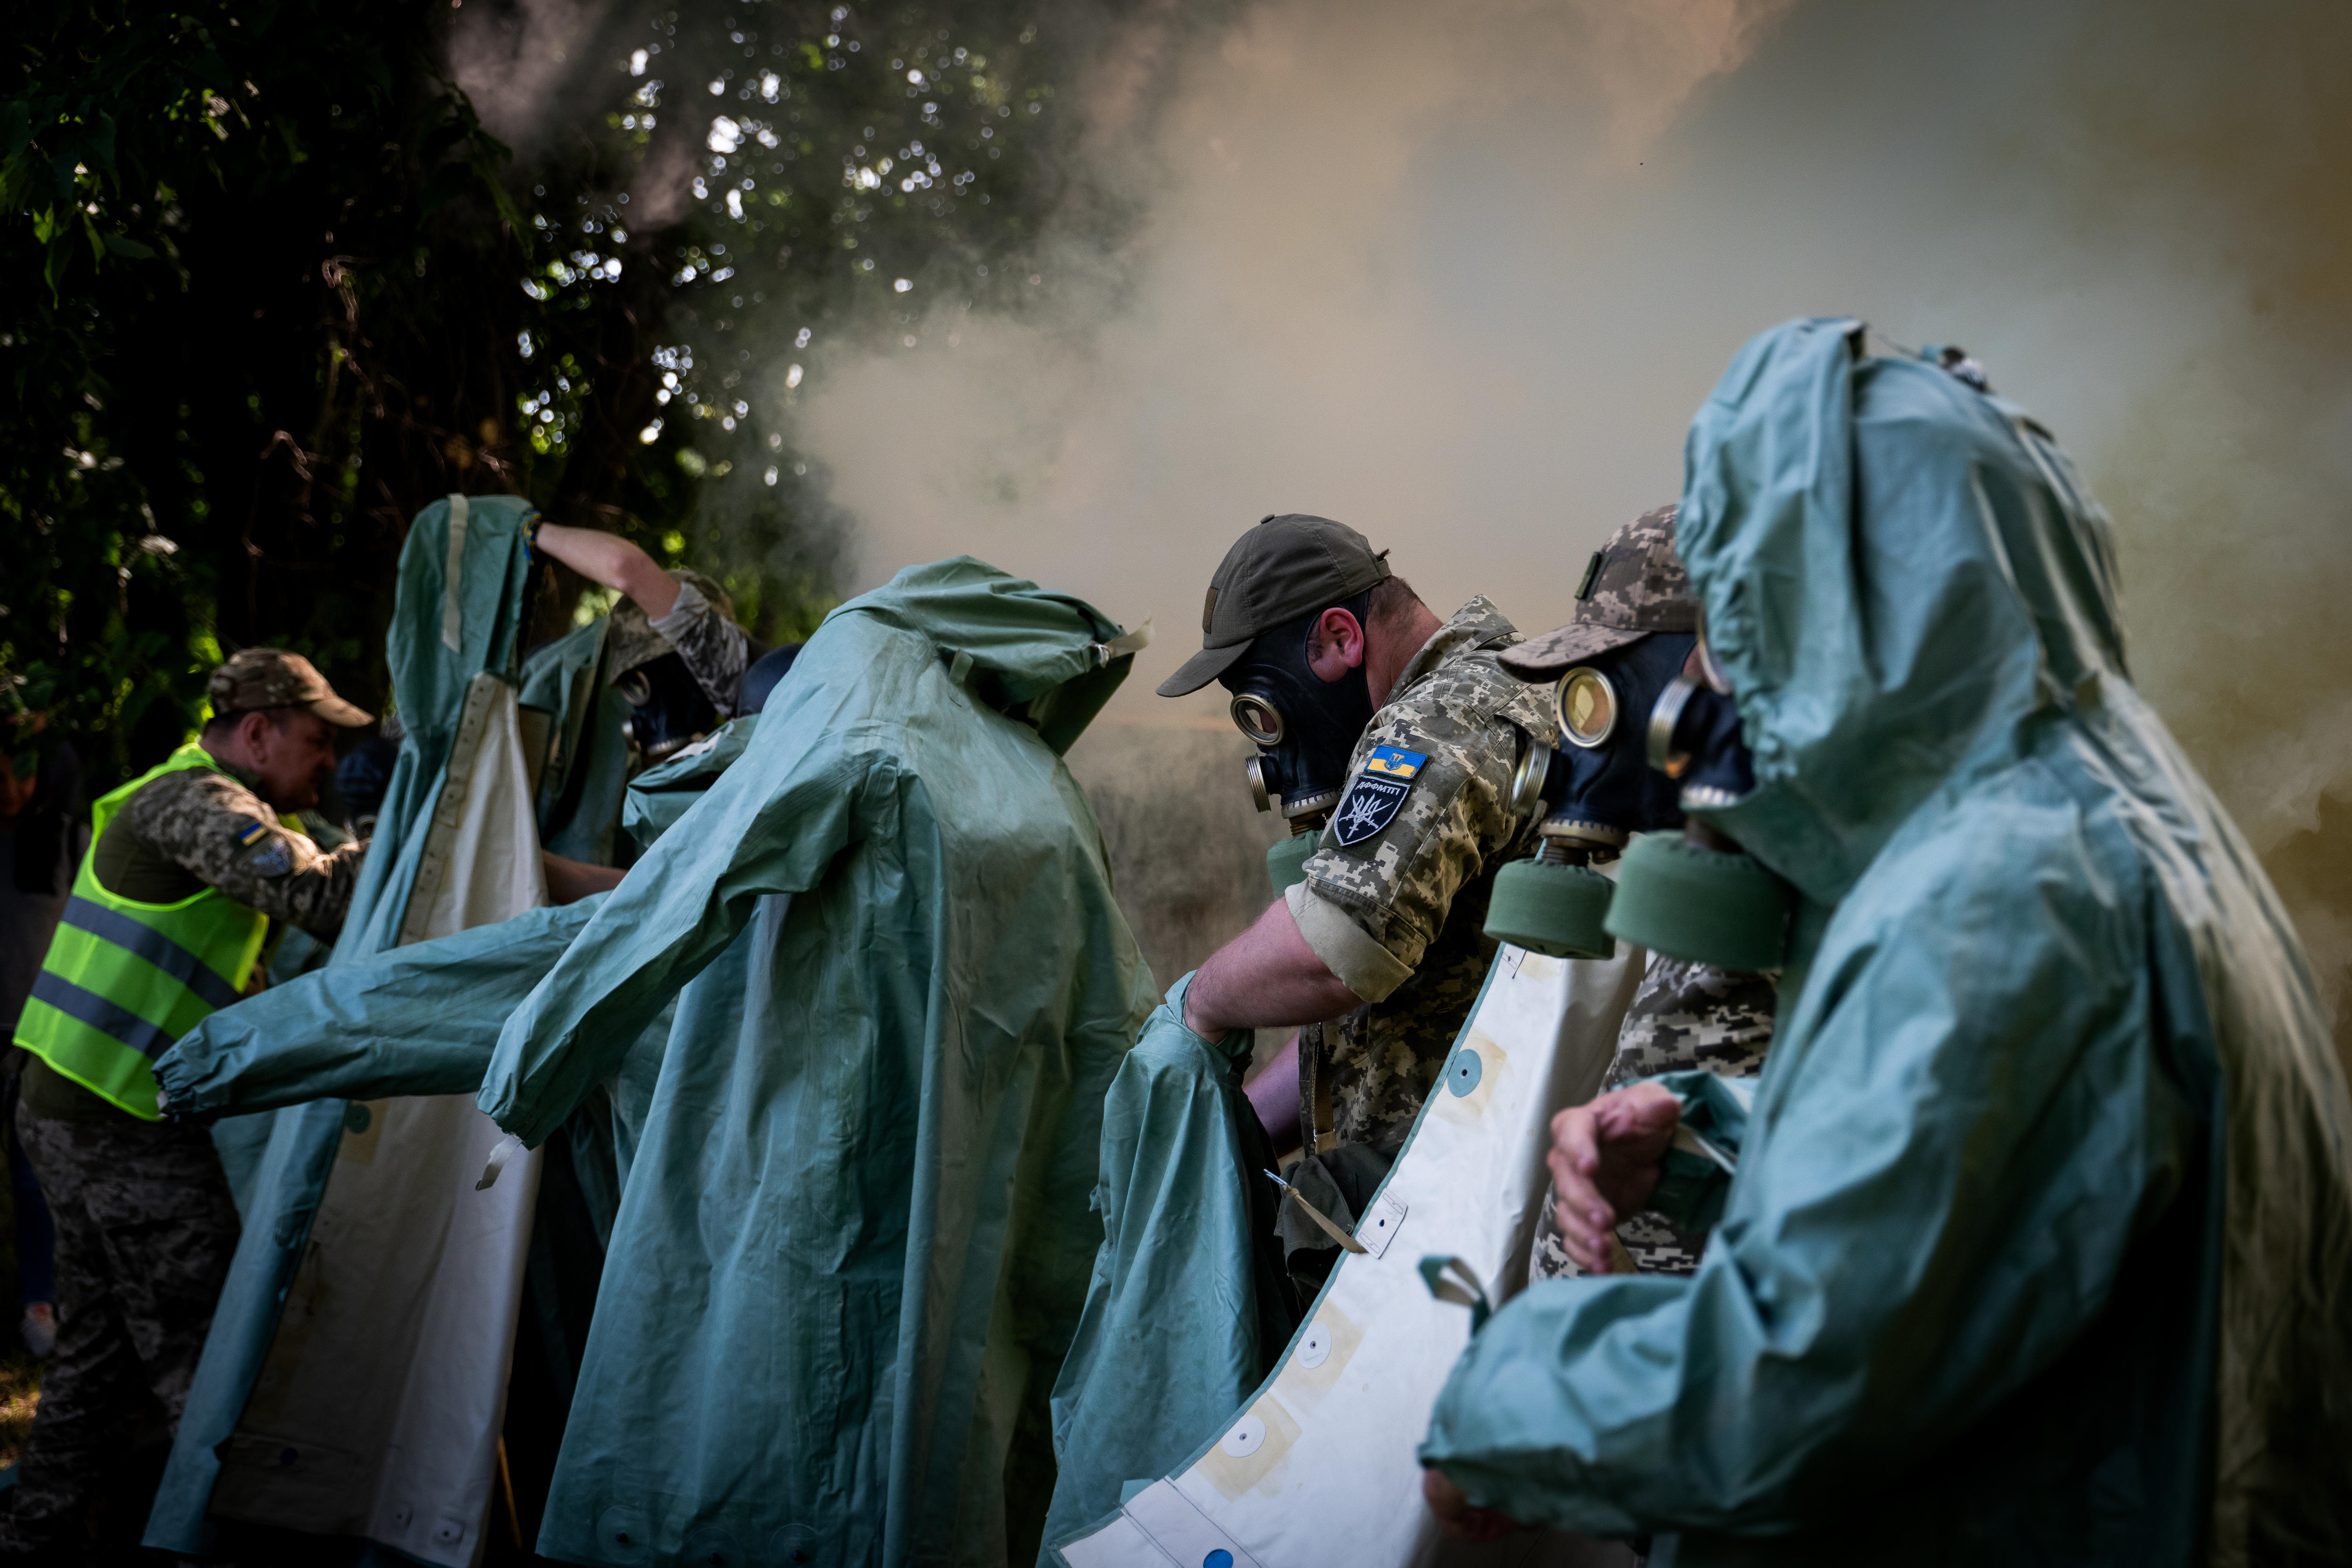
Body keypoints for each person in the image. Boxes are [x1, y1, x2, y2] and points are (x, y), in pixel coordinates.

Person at [1416, 318, 2352, 1562]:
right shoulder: (2119, 814)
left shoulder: (1995, 895)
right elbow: (2027, 1178)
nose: (1704, 685)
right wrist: (1709, 1136)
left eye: (1735, 623)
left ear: (1844, 606)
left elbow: (1778, 1395)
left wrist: (1497, 1397)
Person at [2, 648, 618, 1563]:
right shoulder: (196, 802)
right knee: (209, 1355)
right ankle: (218, 1538)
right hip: (111, 1118)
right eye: (316, 741)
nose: (327, 762)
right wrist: (438, 827)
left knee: (99, 1350)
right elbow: (320, 894)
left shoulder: (208, 797)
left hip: (80, 1103)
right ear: (257, 733)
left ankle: (33, 1530)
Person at [1159, 513, 1551, 1287]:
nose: (1270, 742)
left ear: (1341, 639)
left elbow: (1332, 955)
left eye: (1263, 705)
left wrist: (1199, 1004)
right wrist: (1237, 1125)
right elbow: (1378, 1012)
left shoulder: (1436, 721)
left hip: (1445, 1223)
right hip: (1468, 1193)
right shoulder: (1497, 690)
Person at [1491, 508, 1778, 1282]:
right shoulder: (1716, 875)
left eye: (1602, 688)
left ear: (1707, 676)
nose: (1584, 731)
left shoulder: (1806, 890)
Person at [525, 523, 756, 765]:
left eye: (637, 683)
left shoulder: (726, 663)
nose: (645, 708)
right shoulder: (745, 730)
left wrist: (532, 529)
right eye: (634, 685)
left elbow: (625, 568)